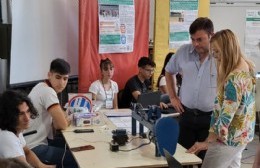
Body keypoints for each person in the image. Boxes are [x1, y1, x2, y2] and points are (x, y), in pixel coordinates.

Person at [187, 29, 256, 168]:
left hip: (227, 140)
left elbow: (225, 118)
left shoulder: (234, 78)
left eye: (218, 52)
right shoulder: (247, 67)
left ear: (228, 50)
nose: (216, 56)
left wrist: (207, 142)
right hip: (242, 136)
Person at [165, 17, 216, 159]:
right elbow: (168, 71)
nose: (195, 44)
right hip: (186, 115)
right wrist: (173, 97)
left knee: (205, 161)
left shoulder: (220, 56)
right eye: (192, 39)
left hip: (210, 118)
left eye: (200, 39)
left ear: (211, 35)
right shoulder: (183, 52)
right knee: (182, 158)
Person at [24, 58, 78, 168]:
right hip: (34, 148)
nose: (62, 83)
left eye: (65, 79)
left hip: (31, 143)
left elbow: (60, 116)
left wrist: (63, 117)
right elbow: (61, 124)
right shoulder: (48, 92)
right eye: (58, 77)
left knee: (76, 147)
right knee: (77, 158)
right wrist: (66, 119)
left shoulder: (40, 86)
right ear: (50, 75)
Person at [0, 90, 55, 168]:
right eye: (21, 114)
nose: (27, 118)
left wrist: (41, 166)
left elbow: (27, 152)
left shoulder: (16, 129)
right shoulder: (7, 137)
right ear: (9, 115)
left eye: (28, 111)